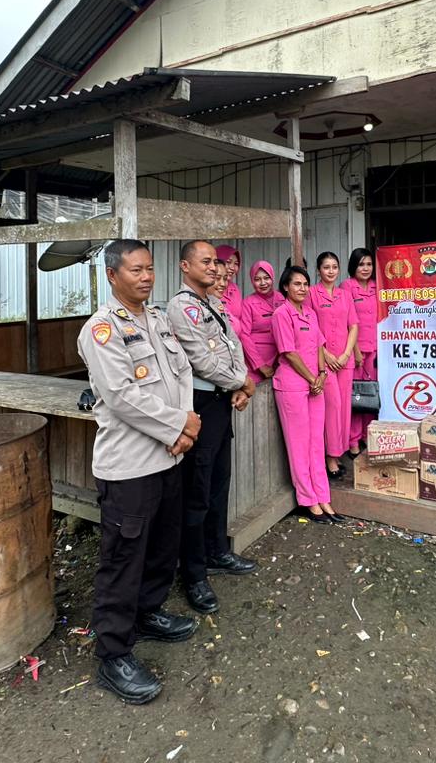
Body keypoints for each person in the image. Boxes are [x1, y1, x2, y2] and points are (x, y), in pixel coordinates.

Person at [77, 239, 200, 705]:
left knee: (162, 548)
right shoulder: (102, 329)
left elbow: (183, 371)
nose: (146, 277)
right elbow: (121, 395)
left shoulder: (158, 319)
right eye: (136, 270)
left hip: (169, 457)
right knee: (123, 561)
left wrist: (184, 424)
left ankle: (147, 614)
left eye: (149, 268)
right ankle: (113, 654)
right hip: (129, 467)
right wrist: (179, 425)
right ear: (113, 275)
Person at [167, 241, 258, 617]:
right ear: (185, 266)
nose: (213, 267)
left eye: (215, 262)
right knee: (197, 491)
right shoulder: (180, 307)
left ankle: (217, 551)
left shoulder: (215, 304)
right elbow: (201, 360)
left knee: (220, 482)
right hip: (200, 404)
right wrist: (242, 382)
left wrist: (241, 383)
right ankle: (194, 573)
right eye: (205, 262)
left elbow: (233, 345)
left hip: (222, 402)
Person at [273, 264, 343, 523]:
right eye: (296, 284)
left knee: (316, 443)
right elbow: (289, 353)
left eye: (305, 284)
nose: (302, 288)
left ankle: (323, 496)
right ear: (285, 287)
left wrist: (322, 374)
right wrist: (313, 378)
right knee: (299, 446)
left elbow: (320, 346)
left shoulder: (311, 313)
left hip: (316, 385)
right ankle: (308, 500)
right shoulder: (281, 314)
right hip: (292, 386)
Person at [312, 252, 358, 477]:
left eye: (334, 267)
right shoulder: (312, 293)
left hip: (344, 360)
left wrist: (346, 354)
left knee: (344, 409)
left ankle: (338, 452)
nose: (331, 271)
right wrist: (326, 354)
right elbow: (311, 327)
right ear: (318, 270)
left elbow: (354, 326)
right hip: (324, 360)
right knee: (332, 406)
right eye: (326, 267)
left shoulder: (345, 295)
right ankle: (330, 457)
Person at [342, 247, 378, 456]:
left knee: (371, 394)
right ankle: (353, 439)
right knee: (356, 395)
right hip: (356, 350)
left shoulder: (376, 286)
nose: (365, 268)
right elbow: (348, 322)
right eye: (361, 264)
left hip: (375, 348)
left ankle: (367, 434)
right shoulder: (347, 287)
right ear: (353, 266)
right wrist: (355, 350)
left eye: (369, 264)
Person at [238, 260, 281, 385]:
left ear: (272, 277)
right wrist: (260, 365)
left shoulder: (282, 299)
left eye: (266, 278)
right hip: (256, 362)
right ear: (252, 281)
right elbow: (244, 335)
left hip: (280, 359)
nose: (263, 283)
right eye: (257, 279)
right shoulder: (248, 303)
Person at [215, 244, 245, 320]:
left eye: (236, 264)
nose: (232, 267)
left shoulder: (235, 289)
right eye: (228, 262)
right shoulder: (210, 287)